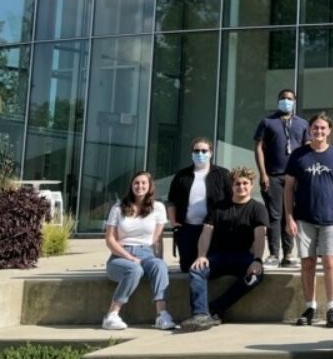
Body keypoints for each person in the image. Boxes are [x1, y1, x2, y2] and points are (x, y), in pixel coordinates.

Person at [178, 166, 269, 332]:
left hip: (243, 258)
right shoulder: (218, 208)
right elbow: (206, 234)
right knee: (197, 270)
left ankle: (215, 308)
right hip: (218, 257)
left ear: (251, 185)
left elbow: (259, 237)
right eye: (237, 184)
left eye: (244, 183)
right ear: (232, 186)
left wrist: (257, 260)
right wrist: (201, 256)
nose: (241, 187)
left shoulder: (258, 208)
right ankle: (200, 315)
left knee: (257, 276)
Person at [285, 112, 333, 329]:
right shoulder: (298, 155)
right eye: (315, 128)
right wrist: (289, 217)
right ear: (309, 130)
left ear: (329, 131)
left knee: (331, 262)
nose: (319, 131)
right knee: (307, 263)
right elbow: (288, 188)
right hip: (304, 219)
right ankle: (310, 307)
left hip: (331, 219)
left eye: (323, 128)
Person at [102, 171, 175, 331]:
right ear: (131, 185)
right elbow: (110, 240)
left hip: (146, 253)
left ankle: (162, 315)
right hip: (120, 255)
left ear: (150, 186)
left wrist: (158, 263)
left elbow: (156, 240)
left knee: (160, 265)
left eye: (143, 183)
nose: (140, 186)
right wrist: (128, 256)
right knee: (134, 269)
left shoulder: (158, 208)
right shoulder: (118, 207)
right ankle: (112, 315)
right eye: (136, 183)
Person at [253, 87, 309, 268]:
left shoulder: (302, 124)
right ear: (278, 101)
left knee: (290, 215)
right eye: (283, 98)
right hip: (273, 175)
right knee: (274, 215)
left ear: (294, 102)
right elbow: (259, 147)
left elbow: (307, 149)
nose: (287, 101)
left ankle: (289, 254)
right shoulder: (267, 122)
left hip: (295, 177)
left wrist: (305, 175)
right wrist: (263, 173)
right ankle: (274, 254)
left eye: (290, 98)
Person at [166, 137, 232, 273]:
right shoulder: (181, 175)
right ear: (192, 153)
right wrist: (173, 222)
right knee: (187, 268)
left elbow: (231, 200)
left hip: (213, 229)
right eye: (196, 151)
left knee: (209, 266)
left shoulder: (223, 174)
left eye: (204, 151)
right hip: (187, 229)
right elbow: (171, 200)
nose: (200, 154)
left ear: (211, 153)